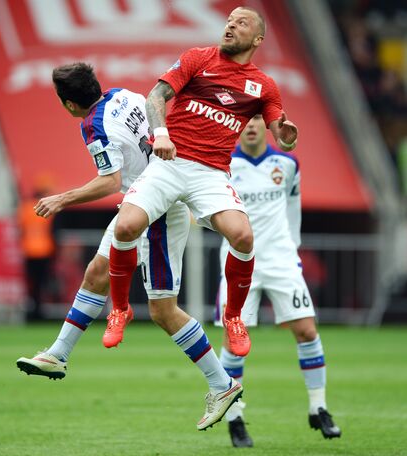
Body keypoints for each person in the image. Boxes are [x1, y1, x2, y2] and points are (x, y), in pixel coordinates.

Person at [17, 63, 240, 429]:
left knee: (164, 312)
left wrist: (61, 199)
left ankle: (222, 384)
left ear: (70, 104)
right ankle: (58, 354)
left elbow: (110, 181)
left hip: (159, 210)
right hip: (142, 200)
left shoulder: (91, 125)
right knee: (96, 273)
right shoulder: (123, 94)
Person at [105, 6, 298, 360]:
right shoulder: (198, 58)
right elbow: (155, 97)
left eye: (240, 23)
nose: (230, 26)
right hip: (170, 161)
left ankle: (233, 317)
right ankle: (119, 309)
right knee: (125, 227)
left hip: (210, 173)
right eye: (228, 21)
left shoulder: (264, 86)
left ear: (258, 39)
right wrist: (161, 134)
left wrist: (285, 136)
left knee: (243, 235)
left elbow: (281, 136)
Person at [215, 115, 341, 447]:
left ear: (267, 124)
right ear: (237, 125)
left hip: (281, 260)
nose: (252, 124)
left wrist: (293, 248)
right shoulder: (221, 164)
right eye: (246, 119)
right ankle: (235, 417)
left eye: (258, 117)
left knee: (307, 331)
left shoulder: (287, 163)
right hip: (238, 263)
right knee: (234, 342)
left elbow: (293, 207)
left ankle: (319, 408)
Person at [17, 179, 56, 321]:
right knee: (41, 284)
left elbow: (20, 228)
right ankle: (39, 312)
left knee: (31, 285)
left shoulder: (25, 207)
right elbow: (52, 230)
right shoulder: (48, 208)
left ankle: (31, 311)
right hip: (44, 250)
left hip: (28, 250)